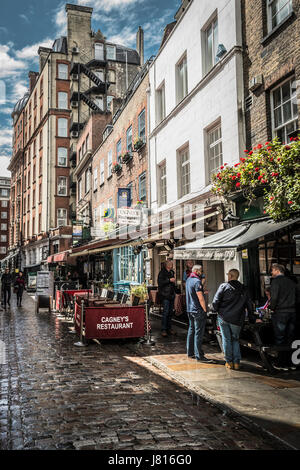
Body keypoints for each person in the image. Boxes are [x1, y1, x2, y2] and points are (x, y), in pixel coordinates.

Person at [212, 269, 253, 370]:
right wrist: (252, 318)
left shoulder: (223, 286)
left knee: (226, 339)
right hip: (237, 318)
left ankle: (229, 362)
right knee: (235, 339)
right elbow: (249, 305)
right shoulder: (244, 288)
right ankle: (237, 363)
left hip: (224, 317)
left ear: (230, 276)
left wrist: (217, 310)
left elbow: (215, 302)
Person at [269, 263, 297, 370]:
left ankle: (281, 363)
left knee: (280, 338)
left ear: (277, 270)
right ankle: (291, 363)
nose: (271, 272)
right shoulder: (291, 282)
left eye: (272, 270)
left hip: (281, 313)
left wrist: (272, 308)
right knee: (290, 338)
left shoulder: (276, 282)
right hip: (293, 312)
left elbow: (274, 298)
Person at [186, 265, 212, 363]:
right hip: (197, 310)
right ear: (196, 271)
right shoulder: (197, 281)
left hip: (190, 309)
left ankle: (190, 352)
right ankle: (199, 356)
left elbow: (192, 292)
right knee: (199, 333)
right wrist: (205, 309)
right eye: (201, 270)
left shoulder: (189, 280)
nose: (202, 272)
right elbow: (200, 298)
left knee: (191, 330)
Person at [158, 260, 176, 337]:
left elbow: (173, 283)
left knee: (170, 313)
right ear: (167, 265)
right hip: (165, 295)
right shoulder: (162, 273)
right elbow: (160, 282)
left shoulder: (172, 272)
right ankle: (163, 329)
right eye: (171, 264)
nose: (172, 265)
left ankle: (169, 328)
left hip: (171, 294)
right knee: (165, 312)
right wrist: (169, 280)